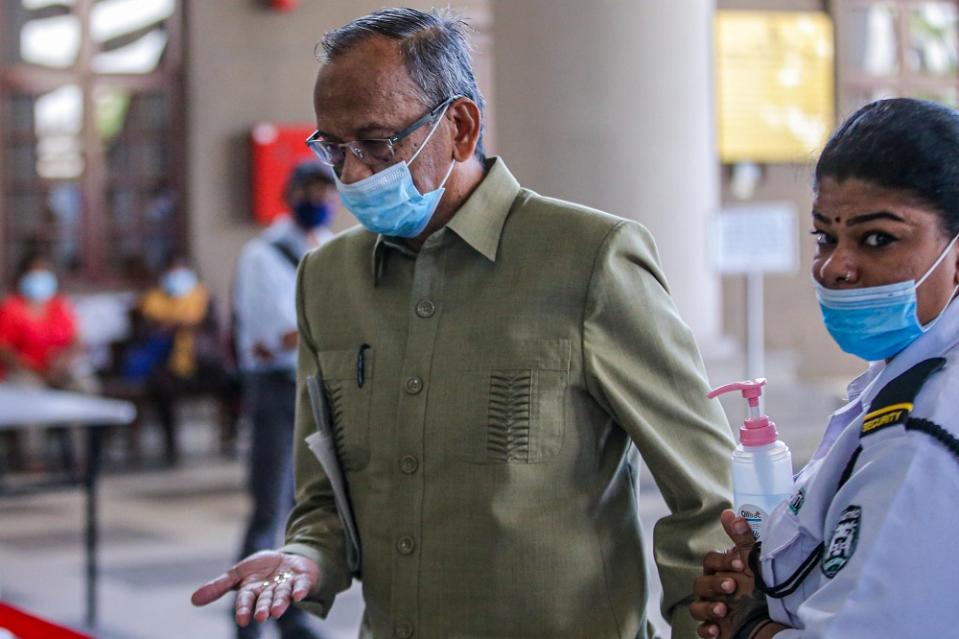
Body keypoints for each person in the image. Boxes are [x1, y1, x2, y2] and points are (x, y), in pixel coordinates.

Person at [193, 8, 734, 638]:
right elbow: (325, 496)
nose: (353, 173)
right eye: (333, 149)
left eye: (375, 141)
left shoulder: (589, 259)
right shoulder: (327, 281)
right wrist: (306, 557)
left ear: (460, 125)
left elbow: (709, 497)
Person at [690, 98, 959, 639]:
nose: (835, 266)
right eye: (825, 237)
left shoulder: (924, 428)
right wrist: (765, 575)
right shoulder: (898, 382)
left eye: (877, 238)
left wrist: (748, 627)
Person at [230, 160, 337, 639]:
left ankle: (290, 611)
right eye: (310, 190)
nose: (319, 200)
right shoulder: (262, 255)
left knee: (306, 506)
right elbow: (278, 334)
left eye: (325, 191)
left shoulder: (331, 247)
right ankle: (248, 617)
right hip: (276, 391)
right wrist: (328, 326)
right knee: (269, 506)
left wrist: (318, 328)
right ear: (291, 195)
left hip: (316, 388)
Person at [132, 254, 237, 465]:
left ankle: (229, 439)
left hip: (203, 363)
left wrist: (190, 330)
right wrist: (166, 330)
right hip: (168, 366)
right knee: (160, 387)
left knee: (233, 382)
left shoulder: (203, 299)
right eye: (172, 272)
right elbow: (141, 337)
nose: (176, 277)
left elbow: (217, 333)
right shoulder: (151, 303)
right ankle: (171, 447)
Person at [0, 252, 97, 469]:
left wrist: (62, 361)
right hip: (25, 370)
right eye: (34, 275)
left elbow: (76, 340)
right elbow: (4, 348)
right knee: (27, 394)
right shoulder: (11, 307)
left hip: (58, 368)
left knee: (83, 387)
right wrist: (34, 368)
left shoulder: (59, 305)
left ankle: (81, 457)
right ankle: (33, 459)